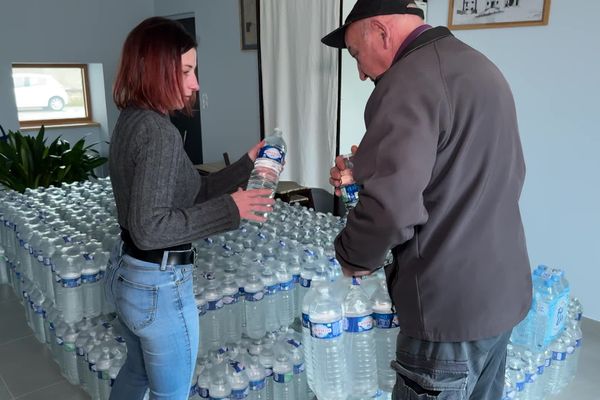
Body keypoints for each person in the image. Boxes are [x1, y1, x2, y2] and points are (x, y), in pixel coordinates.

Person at [322, 1, 531, 399]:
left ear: (381, 32)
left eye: (356, 54)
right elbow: (465, 167)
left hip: (447, 307)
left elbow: (391, 209)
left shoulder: (407, 82)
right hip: (500, 293)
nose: (361, 71)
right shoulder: (477, 66)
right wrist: (367, 168)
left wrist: (353, 257)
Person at [105, 17, 274, 400]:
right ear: (155, 69)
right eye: (185, 71)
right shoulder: (158, 132)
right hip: (158, 285)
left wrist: (246, 164)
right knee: (172, 393)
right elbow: (151, 226)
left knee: (136, 373)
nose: (195, 83)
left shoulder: (134, 119)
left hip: (128, 271)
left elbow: (191, 190)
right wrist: (232, 210)